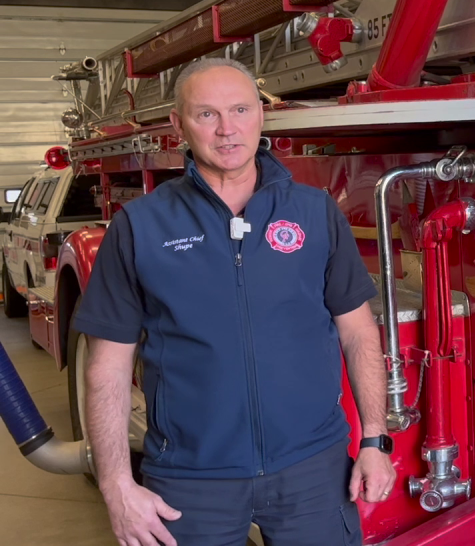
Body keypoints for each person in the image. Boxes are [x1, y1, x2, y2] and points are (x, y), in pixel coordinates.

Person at [72, 58, 396, 546]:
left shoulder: (315, 212)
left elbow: (357, 331)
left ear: (261, 116)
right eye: (206, 115)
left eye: (240, 109)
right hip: (191, 478)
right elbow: (108, 368)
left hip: (312, 469)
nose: (227, 129)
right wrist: (116, 483)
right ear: (179, 126)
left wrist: (374, 438)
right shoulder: (140, 226)